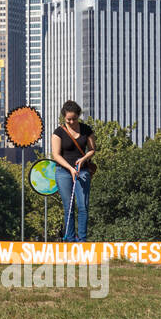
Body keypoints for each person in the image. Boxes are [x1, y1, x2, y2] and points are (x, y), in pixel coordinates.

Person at [51, 100, 96, 243]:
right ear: (64, 117)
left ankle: (82, 239)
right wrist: (70, 168)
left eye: (74, 119)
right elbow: (56, 155)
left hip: (82, 171)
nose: (71, 122)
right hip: (64, 172)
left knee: (83, 206)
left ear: (79, 116)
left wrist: (83, 159)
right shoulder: (58, 132)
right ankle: (70, 239)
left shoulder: (86, 130)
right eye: (68, 119)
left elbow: (92, 150)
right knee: (68, 206)